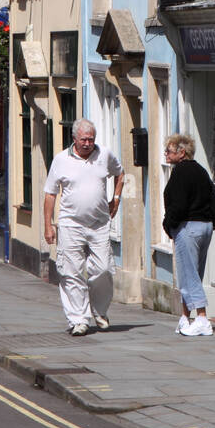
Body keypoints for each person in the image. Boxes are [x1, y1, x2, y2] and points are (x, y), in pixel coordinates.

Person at [43, 119, 124, 336]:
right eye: (84, 139)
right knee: (71, 272)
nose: (88, 143)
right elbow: (50, 194)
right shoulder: (61, 160)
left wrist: (116, 198)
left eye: (91, 139)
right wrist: (48, 225)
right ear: (74, 139)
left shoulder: (104, 155)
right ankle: (78, 319)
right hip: (71, 223)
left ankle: (99, 311)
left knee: (103, 269)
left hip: (99, 224)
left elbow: (120, 173)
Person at [163, 133, 215, 337]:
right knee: (192, 273)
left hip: (189, 227)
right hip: (205, 226)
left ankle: (202, 318)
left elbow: (179, 205)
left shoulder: (181, 172)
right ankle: (185, 317)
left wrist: (168, 225)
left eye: (169, 151)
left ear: (181, 152)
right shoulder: (201, 170)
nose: (166, 154)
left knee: (188, 274)